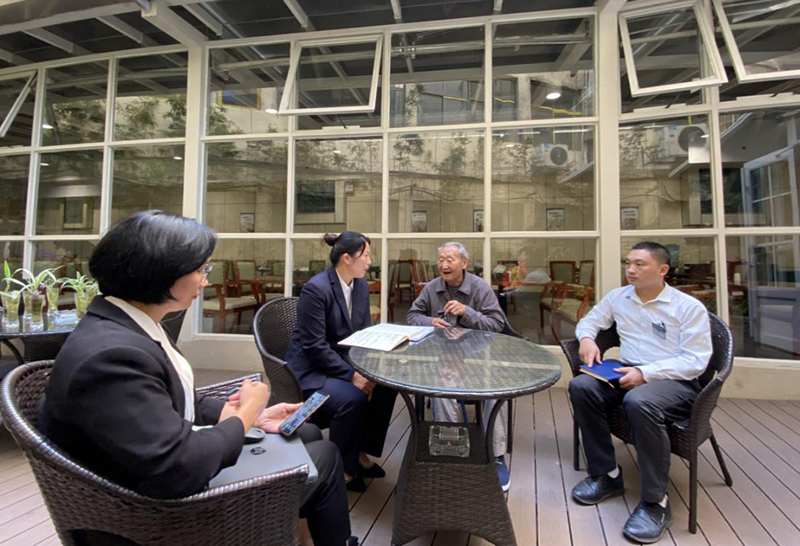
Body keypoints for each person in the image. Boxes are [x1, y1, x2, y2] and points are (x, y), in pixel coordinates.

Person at [39, 211, 355, 546]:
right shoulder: (110, 357)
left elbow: (168, 397)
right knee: (325, 455)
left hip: (147, 474)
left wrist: (255, 416)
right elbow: (178, 469)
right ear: (162, 272)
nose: (205, 282)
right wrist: (246, 414)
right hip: (160, 517)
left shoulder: (126, 325)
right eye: (201, 270)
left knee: (304, 432)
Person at [569, 242, 712, 544]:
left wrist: (646, 374)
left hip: (674, 380)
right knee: (581, 387)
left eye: (639, 264)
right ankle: (606, 474)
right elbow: (590, 321)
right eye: (628, 263)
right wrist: (586, 339)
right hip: (626, 370)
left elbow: (695, 362)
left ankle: (655, 501)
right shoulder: (618, 297)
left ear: (662, 270)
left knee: (639, 401)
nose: (630, 270)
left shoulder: (688, 307)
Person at [285, 232, 398, 493]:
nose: (370, 261)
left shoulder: (360, 286)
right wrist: (352, 376)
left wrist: (369, 371)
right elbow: (315, 346)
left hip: (341, 362)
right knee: (352, 398)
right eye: (365, 255)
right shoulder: (316, 289)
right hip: (312, 370)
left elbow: (362, 334)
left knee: (385, 386)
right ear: (347, 258)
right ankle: (343, 470)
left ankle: (359, 452)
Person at [406, 242, 512, 490]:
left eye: (450, 259)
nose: (444, 264)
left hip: (479, 358)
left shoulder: (480, 288)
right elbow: (412, 316)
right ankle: (450, 449)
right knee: (442, 388)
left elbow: (497, 324)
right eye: (441, 259)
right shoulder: (432, 288)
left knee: (495, 389)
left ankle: (496, 455)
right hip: (441, 356)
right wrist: (431, 321)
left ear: (464, 263)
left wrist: (467, 312)